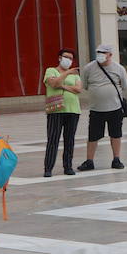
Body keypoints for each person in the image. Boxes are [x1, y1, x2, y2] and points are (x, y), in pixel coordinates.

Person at [78, 43, 127, 171]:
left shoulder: (119, 68)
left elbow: (125, 86)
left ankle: (116, 159)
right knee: (93, 135)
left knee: (116, 134)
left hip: (115, 107)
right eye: (99, 53)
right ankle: (89, 160)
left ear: (110, 55)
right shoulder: (89, 68)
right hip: (96, 109)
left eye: (103, 53)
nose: (100, 55)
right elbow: (84, 85)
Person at [42, 48, 81, 177]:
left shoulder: (76, 75)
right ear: (59, 58)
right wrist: (67, 72)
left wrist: (63, 86)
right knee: (53, 139)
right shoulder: (51, 70)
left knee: (69, 139)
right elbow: (54, 83)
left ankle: (68, 166)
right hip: (56, 110)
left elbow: (78, 89)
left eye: (71, 58)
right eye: (66, 57)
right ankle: (48, 168)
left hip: (73, 109)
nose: (68, 60)